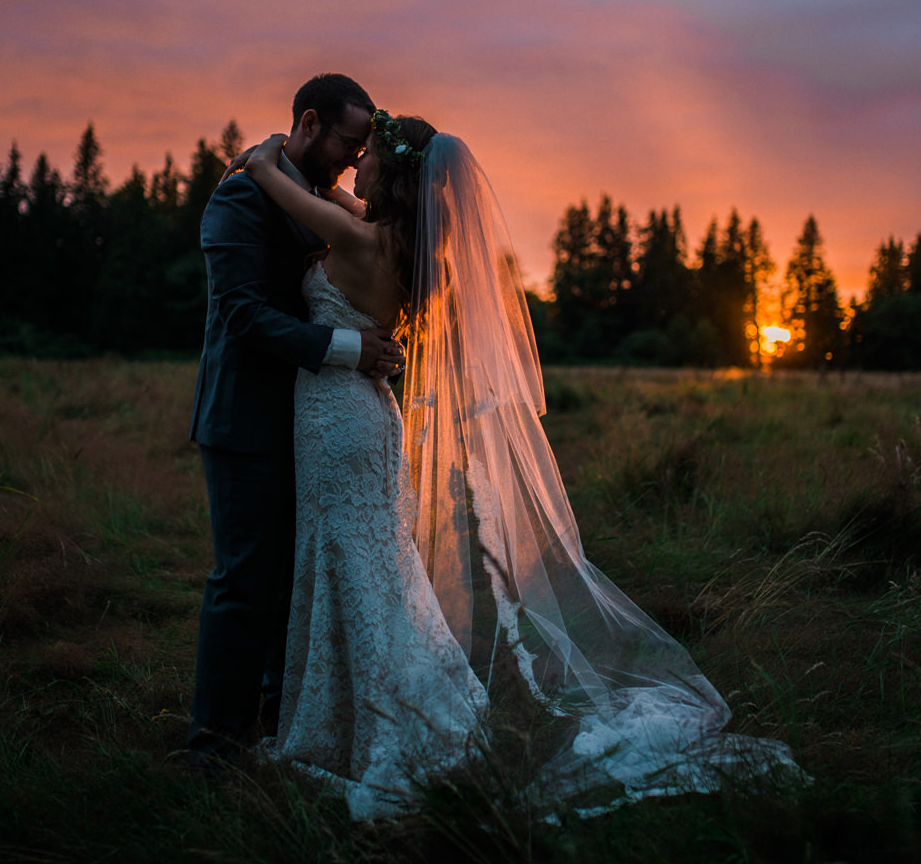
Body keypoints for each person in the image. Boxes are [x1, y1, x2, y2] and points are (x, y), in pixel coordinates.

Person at [237, 111, 801, 818]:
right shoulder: (401, 242)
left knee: (354, 564)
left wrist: (263, 157)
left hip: (340, 422)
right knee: (370, 565)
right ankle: (365, 705)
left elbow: (266, 176)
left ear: (398, 171)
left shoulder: (355, 234)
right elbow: (344, 204)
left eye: (370, 155)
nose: (357, 168)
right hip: (361, 417)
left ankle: (375, 719)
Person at [186, 73, 402, 763]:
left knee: (296, 579)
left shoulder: (317, 197)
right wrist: (351, 350)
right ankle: (214, 744)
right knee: (245, 580)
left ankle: (286, 725)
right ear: (309, 123)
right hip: (246, 419)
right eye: (348, 140)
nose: (353, 157)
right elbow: (243, 314)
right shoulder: (239, 196)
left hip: (314, 422)